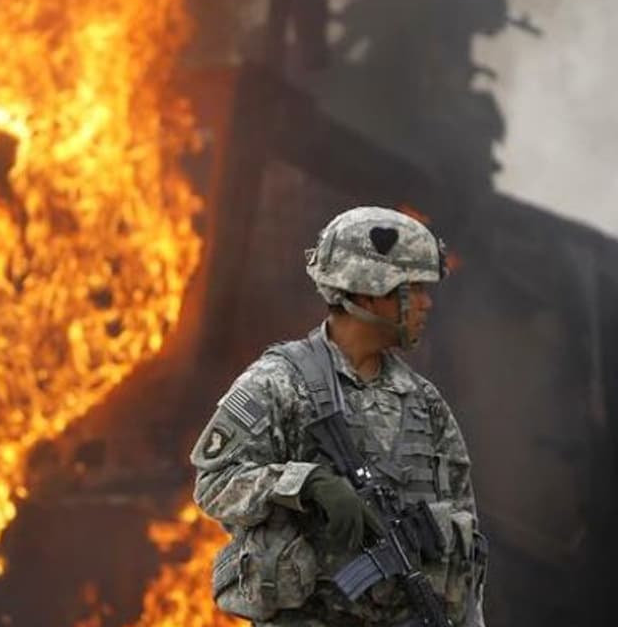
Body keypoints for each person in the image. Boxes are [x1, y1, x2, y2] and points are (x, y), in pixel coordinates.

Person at [191, 206, 487, 626]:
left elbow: (465, 544)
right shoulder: (280, 382)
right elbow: (213, 484)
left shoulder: (425, 403)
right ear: (369, 292)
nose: (426, 303)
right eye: (414, 289)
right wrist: (305, 483)